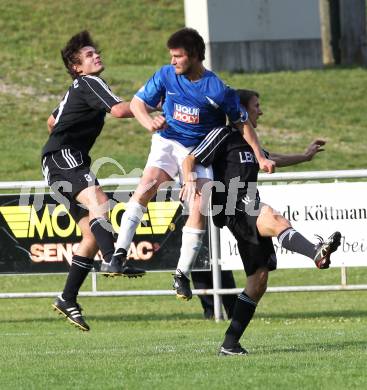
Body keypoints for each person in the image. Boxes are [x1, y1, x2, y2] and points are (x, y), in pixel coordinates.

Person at [113, 28, 275, 301]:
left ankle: (180, 276)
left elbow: (242, 122)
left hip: (200, 152)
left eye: (178, 56)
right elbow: (138, 103)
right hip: (167, 142)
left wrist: (259, 155)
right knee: (148, 184)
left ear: (196, 56)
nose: (173, 61)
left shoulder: (217, 89)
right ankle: (117, 254)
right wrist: (149, 122)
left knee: (199, 205)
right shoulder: (165, 75)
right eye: (172, 56)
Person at [181, 89, 341, 355]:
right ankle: (316, 252)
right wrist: (189, 179)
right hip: (233, 204)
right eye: (256, 106)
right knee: (274, 217)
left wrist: (305, 156)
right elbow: (190, 158)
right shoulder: (222, 134)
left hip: (246, 205)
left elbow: (270, 158)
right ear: (241, 110)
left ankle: (230, 344)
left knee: (258, 281)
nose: (260, 111)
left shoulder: (249, 141)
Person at [42, 31, 145, 331]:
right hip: (64, 157)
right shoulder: (90, 82)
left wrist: (63, 136)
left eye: (95, 51)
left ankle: (67, 297)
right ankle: (114, 259)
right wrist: (160, 106)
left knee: (89, 235)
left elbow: (51, 121)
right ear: (77, 68)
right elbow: (120, 110)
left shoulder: (78, 86)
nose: (96, 55)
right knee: (100, 201)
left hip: (58, 160)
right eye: (88, 55)